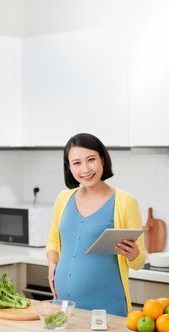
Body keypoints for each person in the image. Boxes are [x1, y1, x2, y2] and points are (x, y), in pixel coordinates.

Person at [46, 133, 146, 316]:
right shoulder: (63, 199)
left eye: (91, 159)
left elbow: (139, 262)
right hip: (63, 308)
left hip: (107, 311)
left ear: (102, 159)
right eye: (76, 163)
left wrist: (133, 254)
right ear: (69, 167)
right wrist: (52, 263)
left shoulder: (125, 202)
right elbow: (53, 241)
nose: (85, 169)